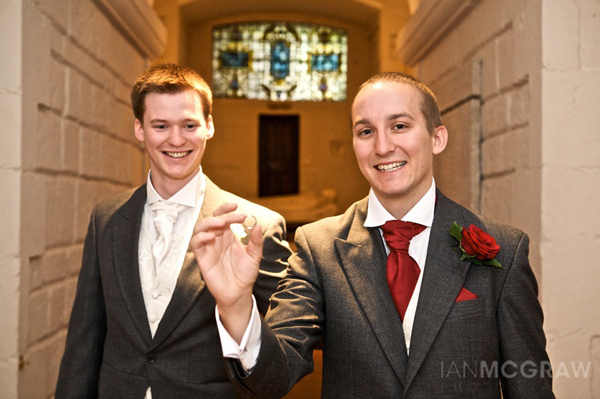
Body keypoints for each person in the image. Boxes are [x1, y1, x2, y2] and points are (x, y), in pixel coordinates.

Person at [192, 72, 555, 398]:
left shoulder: (504, 250)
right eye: (366, 131)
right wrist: (236, 305)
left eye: (399, 126)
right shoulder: (319, 248)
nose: (382, 147)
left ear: (437, 137)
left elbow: (529, 386)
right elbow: (272, 379)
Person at [55, 63, 292, 398]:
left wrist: (238, 306)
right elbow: (85, 339)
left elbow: (278, 371)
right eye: (160, 125)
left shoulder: (257, 227)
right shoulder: (106, 218)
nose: (176, 139)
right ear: (139, 128)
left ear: (209, 126)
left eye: (189, 124)